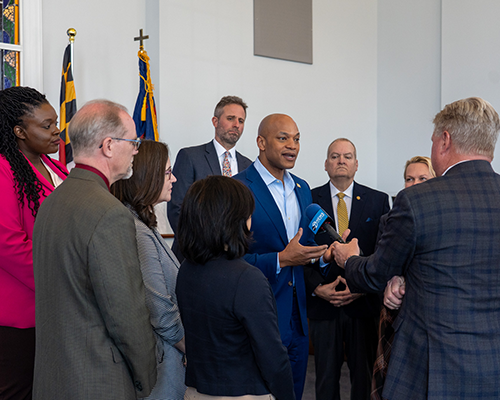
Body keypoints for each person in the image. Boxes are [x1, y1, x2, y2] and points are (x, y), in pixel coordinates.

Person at [332, 97, 500, 399]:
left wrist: (350, 258)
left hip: (430, 370)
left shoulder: (418, 200)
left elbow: (375, 274)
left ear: (445, 140)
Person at [32, 100, 157, 399]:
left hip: (53, 378)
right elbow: (126, 315)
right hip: (97, 380)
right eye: (133, 142)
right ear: (109, 146)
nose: (137, 150)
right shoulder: (109, 213)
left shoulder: (52, 200)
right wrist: (147, 377)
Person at [234, 114, 334, 400]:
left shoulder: (302, 189)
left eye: (297, 138)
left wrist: (325, 256)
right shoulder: (239, 187)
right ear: (261, 143)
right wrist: (281, 259)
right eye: (283, 138)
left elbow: (305, 248)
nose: (292, 145)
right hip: (259, 317)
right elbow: (229, 261)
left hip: (299, 321)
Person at [176, 175, 295, 400]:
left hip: (196, 391)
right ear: (234, 220)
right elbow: (273, 358)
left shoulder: (186, 269)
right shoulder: (247, 279)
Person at [304, 138, 390, 400]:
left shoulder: (377, 201)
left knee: (363, 380)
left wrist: (362, 288)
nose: (341, 160)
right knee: (325, 381)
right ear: (326, 165)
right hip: (323, 305)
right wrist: (317, 289)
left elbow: (383, 253)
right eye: (335, 156)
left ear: (356, 165)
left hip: (363, 306)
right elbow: (299, 250)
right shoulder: (308, 200)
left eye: (347, 156)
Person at [0, 86, 68, 400]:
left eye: (55, 122)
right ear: (19, 131)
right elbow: (8, 244)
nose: (57, 131)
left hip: (54, 307)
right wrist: (63, 278)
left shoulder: (55, 166)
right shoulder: (3, 168)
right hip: (20, 311)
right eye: (47, 125)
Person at [111, 139, 186, 399]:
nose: (174, 179)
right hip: (162, 363)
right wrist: (190, 348)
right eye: (167, 172)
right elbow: (159, 309)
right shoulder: (137, 231)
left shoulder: (144, 224)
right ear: (146, 177)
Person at [370, 155, 435, 400]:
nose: (414, 184)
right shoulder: (389, 220)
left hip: (424, 317)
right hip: (393, 314)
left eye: (422, 178)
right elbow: (381, 266)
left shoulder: (439, 219)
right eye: (409, 179)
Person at [167, 95, 252, 261]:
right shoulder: (190, 157)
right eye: (230, 118)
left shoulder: (249, 166)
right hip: (194, 257)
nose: (236, 125)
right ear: (215, 121)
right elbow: (177, 209)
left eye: (241, 121)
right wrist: (203, 247)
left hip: (235, 259)